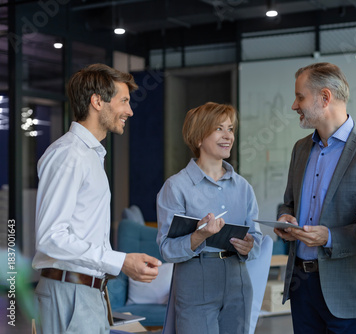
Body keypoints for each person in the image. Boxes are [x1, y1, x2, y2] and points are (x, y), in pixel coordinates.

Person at [32, 63, 161, 334]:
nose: (130, 110)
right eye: (124, 101)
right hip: (70, 294)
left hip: (87, 292)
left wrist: (118, 262)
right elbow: (51, 236)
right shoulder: (70, 155)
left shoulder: (89, 155)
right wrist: (120, 261)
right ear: (97, 101)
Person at [274, 62, 356, 333]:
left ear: (325, 97)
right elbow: (289, 201)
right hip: (301, 286)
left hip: (349, 289)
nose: (295, 106)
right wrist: (285, 217)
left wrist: (328, 237)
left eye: (300, 97)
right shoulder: (300, 149)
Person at [156, 102, 262, 334]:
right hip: (195, 279)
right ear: (197, 138)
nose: (228, 136)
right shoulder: (176, 187)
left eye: (231, 129)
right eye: (219, 129)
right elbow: (166, 249)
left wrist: (249, 245)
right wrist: (199, 235)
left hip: (238, 280)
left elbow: (256, 240)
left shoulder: (243, 187)